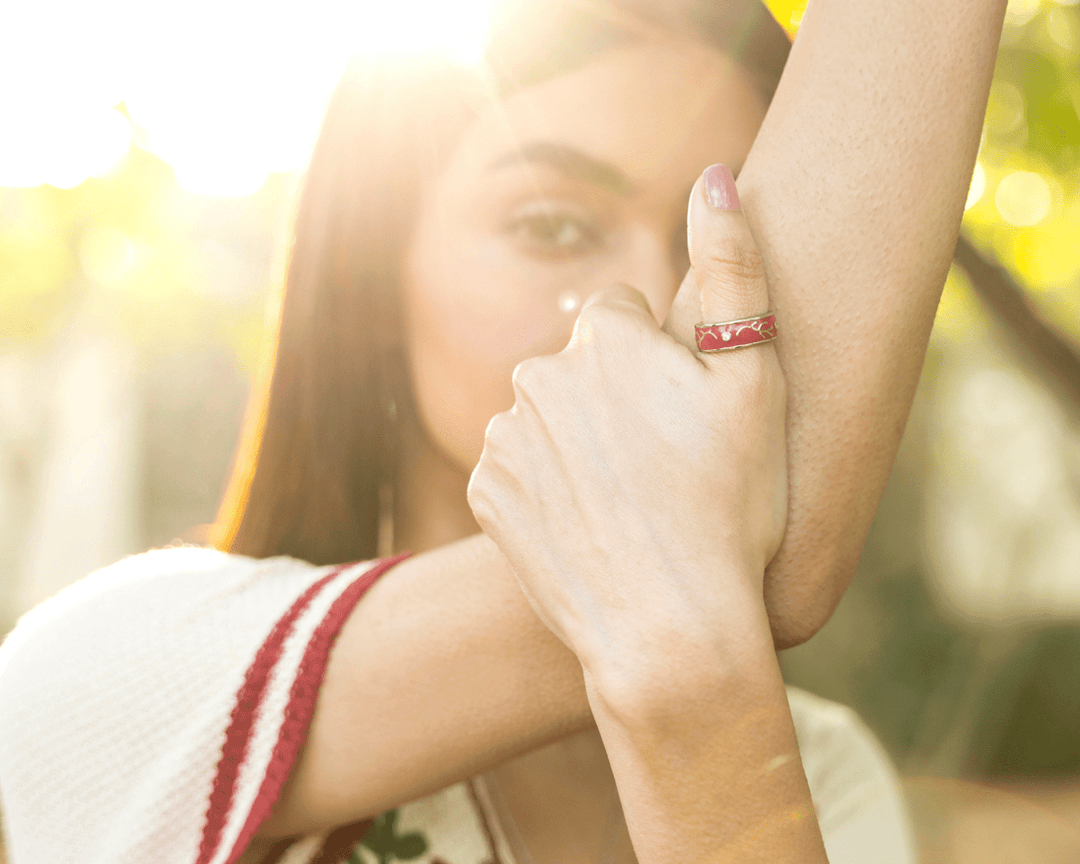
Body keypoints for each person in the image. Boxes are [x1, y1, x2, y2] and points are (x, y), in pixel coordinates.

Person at [0, 0, 1007, 862]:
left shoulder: (827, 772)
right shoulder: (116, 678)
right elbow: (758, 516)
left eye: (712, 244)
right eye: (553, 225)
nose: (646, 305)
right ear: (373, 280)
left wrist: (707, 723)